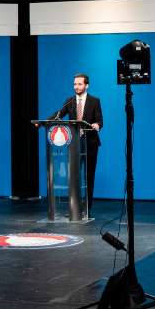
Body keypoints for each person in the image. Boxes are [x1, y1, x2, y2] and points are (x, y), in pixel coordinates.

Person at [50, 73, 103, 210]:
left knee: (89, 175)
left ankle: (87, 206)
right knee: (74, 176)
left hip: (90, 144)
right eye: (75, 84)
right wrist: (45, 121)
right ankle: (75, 206)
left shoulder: (94, 101)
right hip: (74, 144)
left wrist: (97, 125)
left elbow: (100, 121)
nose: (76, 87)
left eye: (79, 84)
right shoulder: (70, 101)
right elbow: (59, 114)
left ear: (86, 85)